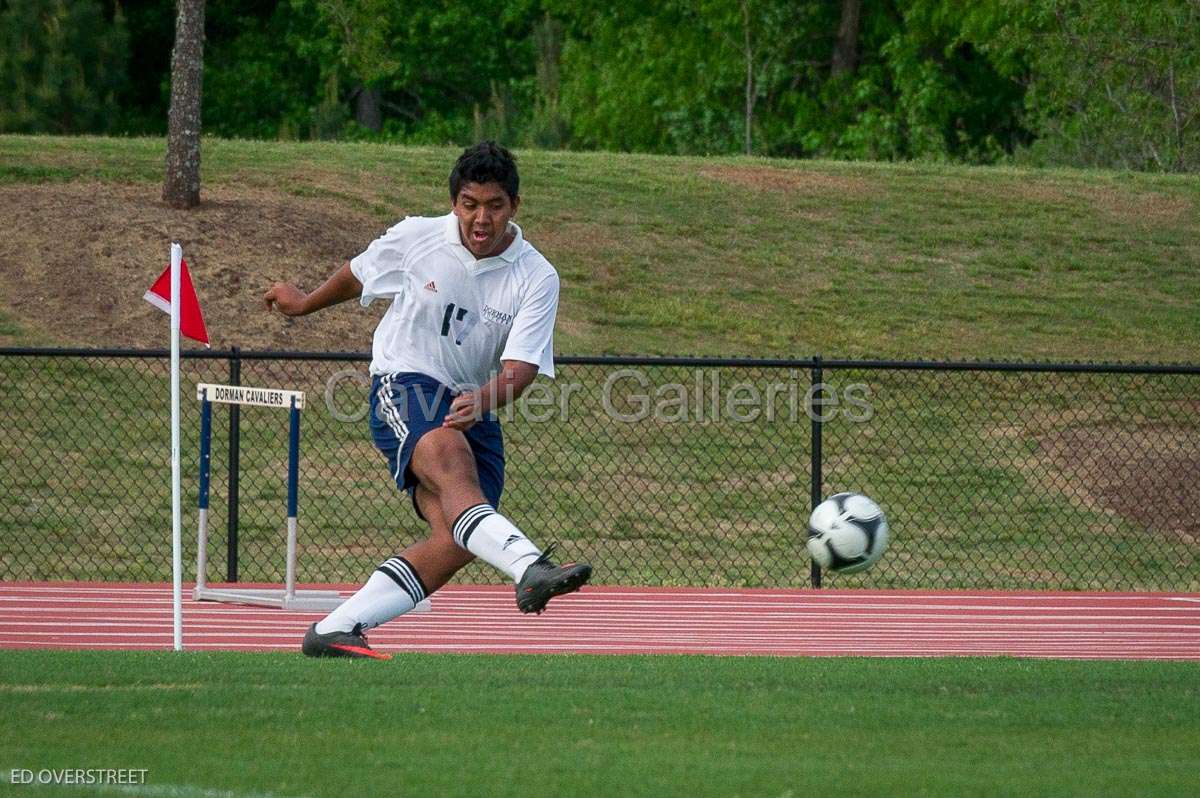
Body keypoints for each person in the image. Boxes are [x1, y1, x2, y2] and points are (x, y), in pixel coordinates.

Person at [263, 141, 592, 659]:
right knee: (454, 466)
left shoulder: (537, 275)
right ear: (454, 203)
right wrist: (304, 304)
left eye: (494, 206)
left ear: (514, 207)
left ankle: (334, 629)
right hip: (405, 379)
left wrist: (484, 400)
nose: (481, 219)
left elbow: (522, 368)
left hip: (472, 401)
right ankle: (530, 565)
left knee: (457, 537)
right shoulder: (418, 236)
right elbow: (358, 274)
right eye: (469, 204)